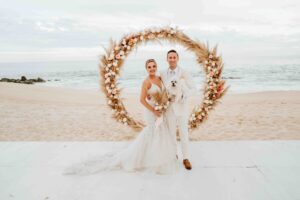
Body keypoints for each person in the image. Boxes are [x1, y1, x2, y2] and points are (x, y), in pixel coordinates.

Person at [63, 59, 179, 175]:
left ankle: (158, 158)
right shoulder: (146, 82)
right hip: (151, 111)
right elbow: (142, 100)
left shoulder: (160, 79)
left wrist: (163, 104)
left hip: (160, 110)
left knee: (161, 131)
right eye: (149, 67)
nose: (152, 68)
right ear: (146, 69)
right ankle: (140, 159)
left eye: (153, 66)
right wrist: (154, 110)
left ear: (156, 67)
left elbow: (164, 93)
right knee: (152, 131)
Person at [160, 49, 196, 170]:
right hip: (169, 108)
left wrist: (183, 96)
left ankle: (186, 158)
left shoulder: (184, 73)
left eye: (174, 57)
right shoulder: (163, 73)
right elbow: (161, 90)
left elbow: (193, 89)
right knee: (171, 133)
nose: (172, 59)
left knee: (183, 133)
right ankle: (173, 155)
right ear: (167, 59)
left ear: (177, 58)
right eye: (170, 57)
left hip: (181, 108)